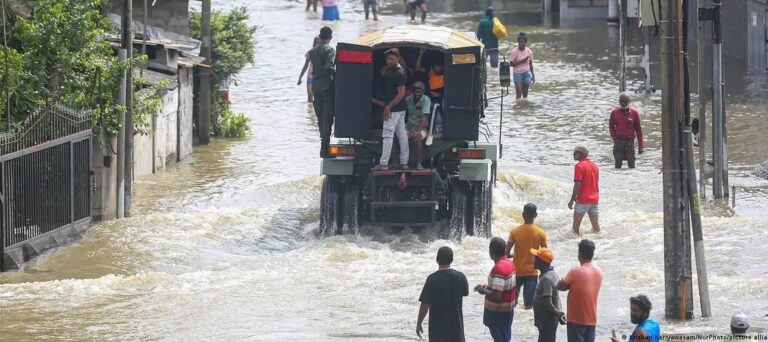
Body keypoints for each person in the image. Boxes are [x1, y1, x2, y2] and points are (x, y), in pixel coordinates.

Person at [417, 246, 469, 341]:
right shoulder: (460, 276)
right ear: (452, 260)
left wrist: (419, 323)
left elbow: (425, 304)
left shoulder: (431, 279)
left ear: (437, 259)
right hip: (456, 328)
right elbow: (465, 293)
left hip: (437, 330)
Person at [557, 239, 603, 342]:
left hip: (576, 320)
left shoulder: (575, 272)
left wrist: (569, 285)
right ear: (592, 254)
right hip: (592, 319)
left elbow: (560, 286)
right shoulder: (599, 272)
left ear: (579, 254)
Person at [505, 203, 548, 311]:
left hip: (517, 271)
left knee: (512, 302)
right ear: (535, 215)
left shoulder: (514, 232)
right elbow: (546, 254)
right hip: (532, 272)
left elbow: (506, 253)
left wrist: (516, 255)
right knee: (529, 305)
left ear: (523, 214)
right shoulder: (540, 233)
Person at [474, 237, 516, 342]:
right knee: (506, 336)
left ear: (491, 252)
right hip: (508, 309)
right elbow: (503, 286)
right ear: (504, 250)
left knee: (500, 339)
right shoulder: (509, 263)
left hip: (498, 312)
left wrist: (483, 290)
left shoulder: (498, 268)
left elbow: (497, 295)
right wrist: (488, 287)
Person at [376, 49, 409, 171]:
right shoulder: (395, 70)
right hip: (400, 108)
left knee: (387, 135)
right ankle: (404, 162)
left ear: (398, 59)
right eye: (387, 59)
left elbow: (401, 94)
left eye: (392, 59)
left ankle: (383, 163)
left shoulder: (399, 73)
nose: (389, 61)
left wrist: (388, 107)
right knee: (402, 135)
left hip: (394, 109)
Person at [309, 27, 336, 158]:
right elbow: (328, 67)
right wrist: (337, 75)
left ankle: (323, 145)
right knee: (327, 118)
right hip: (327, 87)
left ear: (320, 36)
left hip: (316, 87)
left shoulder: (312, 51)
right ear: (331, 37)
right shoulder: (330, 50)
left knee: (320, 117)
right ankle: (324, 149)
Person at [531, 247, 565, 342]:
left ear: (542, 262)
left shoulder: (546, 279)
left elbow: (548, 303)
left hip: (547, 320)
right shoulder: (553, 274)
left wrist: (557, 313)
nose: (533, 260)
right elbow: (556, 298)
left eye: (536, 258)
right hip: (549, 320)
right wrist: (559, 313)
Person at [567, 145, 600, 235]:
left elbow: (577, 184)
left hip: (583, 200)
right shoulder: (594, 166)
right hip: (594, 199)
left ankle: (575, 243)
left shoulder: (579, 166)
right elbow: (596, 181)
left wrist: (572, 200)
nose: (573, 154)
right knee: (596, 228)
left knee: (575, 229)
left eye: (575, 152)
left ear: (581, 154)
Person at [609, 92, 645, 169]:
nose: (623, 103)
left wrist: (641, 146)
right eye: (621, 101)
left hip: (630, 142)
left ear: (629, 101)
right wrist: (615, 141)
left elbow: (639, 131)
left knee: (632, 165)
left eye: (625, 101)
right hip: (619, 142)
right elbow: (611, 128)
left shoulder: (634, 113)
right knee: (618, 165)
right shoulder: (614, 113)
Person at [404, 82, 431, 169]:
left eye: (420, 92)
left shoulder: (426, 99)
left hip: (422, 128)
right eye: (415, 91)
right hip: (408, 127)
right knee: (398, 137)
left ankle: (418, 162)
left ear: (423, 91)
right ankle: (400, 162)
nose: (417, 94)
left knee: (417, 137)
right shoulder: (408, 99)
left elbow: (425, 117)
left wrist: (417, 131)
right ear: (412, 91)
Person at [509, 33, 535, 99]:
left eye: (523, 42)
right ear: (518, 42)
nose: (521, 43)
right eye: (520, 42)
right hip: (517, 73)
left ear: (526, 43)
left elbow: (531, 64)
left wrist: (533, 75)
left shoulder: (529, 51)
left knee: (525, 94)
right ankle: (518, 104)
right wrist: (522, 61)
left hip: (526, 72)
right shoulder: (514, 51)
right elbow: (511, 64)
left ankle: (524, 104)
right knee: (519, 92)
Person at [298, 36, 321, 103]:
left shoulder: (323, 51)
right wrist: (300, 77)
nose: (317, 44)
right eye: (316, 42)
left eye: (319, 42)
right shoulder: (310, 52)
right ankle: (310, 109)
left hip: (319, 76)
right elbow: (305, 65)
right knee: (310, 95)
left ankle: (315, 109)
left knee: (318, 96)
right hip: (310, 75)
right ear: (314, 43)